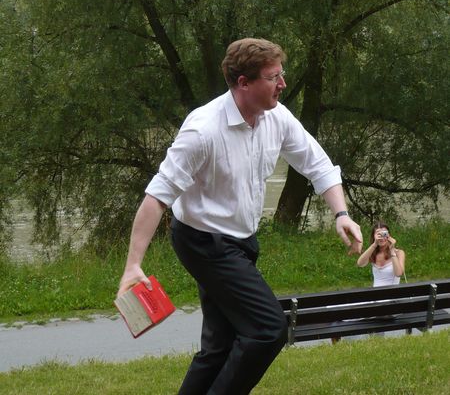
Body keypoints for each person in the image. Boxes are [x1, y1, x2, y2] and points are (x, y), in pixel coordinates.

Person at [117, 37, 363, 395]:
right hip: (204, 243)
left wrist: (340, 213)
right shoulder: (203, 130)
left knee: (220, 346)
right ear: (243, 83)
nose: (282, 83)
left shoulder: (276, 117)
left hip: (242, 241)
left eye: (282, 74)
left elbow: (317, 163)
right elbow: (158, 197)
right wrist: (132, 264)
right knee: (268, 329)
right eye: (273, 77)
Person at [356, 221, 405, 286]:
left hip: (393, 292)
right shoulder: (372, 252)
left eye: (384, 234)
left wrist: (392, 251)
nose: (382, 237)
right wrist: (374, 244)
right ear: (374, 236)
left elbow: (398, 274)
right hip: (376, 292)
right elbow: (360, 264)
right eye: (378, 234)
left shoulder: (399, 253)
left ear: (389, 235)